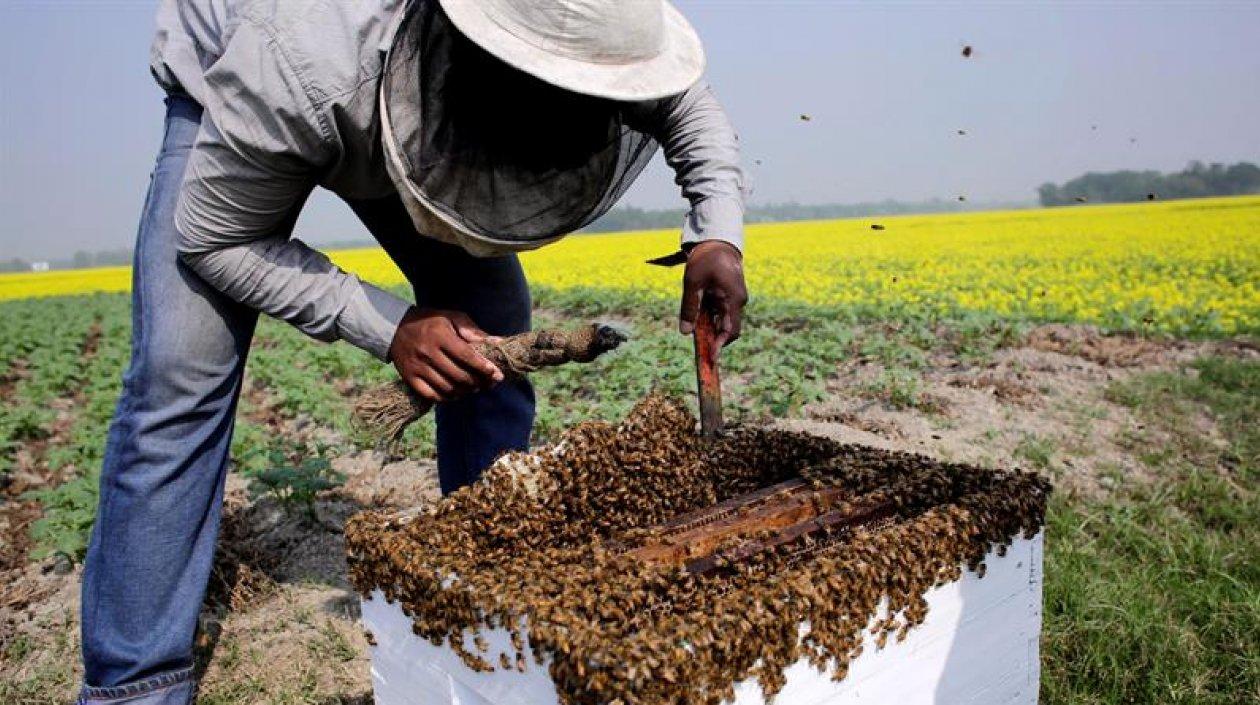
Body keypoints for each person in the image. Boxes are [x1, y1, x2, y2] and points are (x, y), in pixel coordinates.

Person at [78, 0, 748, 702]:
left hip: (388, 91)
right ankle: (136, 682)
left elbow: (680, 99)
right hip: (247, 77)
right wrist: (394, 328)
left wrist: (716, 232)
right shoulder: (301, 61)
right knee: (178, 376)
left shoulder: (587, 21)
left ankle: (488, 587)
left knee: (493, 327)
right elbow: (216, 239)